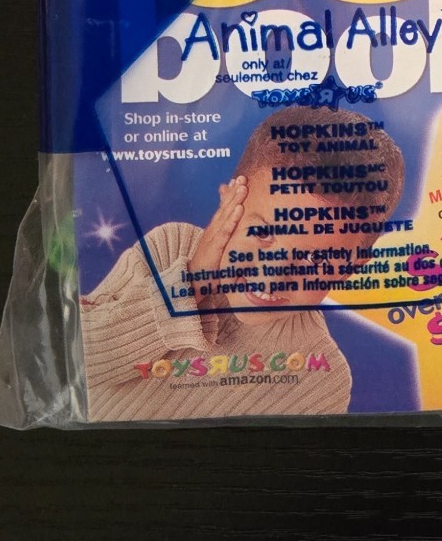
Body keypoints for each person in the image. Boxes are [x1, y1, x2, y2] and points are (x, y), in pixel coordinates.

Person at [80, 106, 404, 421]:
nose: (272, 277)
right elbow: (76, 365)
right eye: (263, 233)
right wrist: (190, 282)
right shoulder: (170, 248)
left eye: (314, 258)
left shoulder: (322, 378)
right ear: (228, 202)